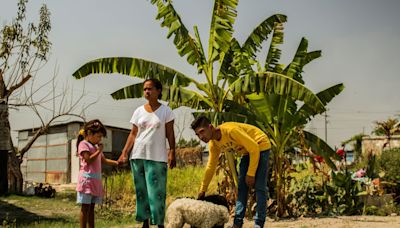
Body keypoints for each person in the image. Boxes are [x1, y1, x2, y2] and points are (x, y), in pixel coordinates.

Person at [191, 116, 271, 228]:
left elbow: (254, 148)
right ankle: (237, 224)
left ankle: (258, 224)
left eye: (202, 132)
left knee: (260, 187)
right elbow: (211, 166)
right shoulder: (214, 144)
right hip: (246, 152)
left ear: (211, 127)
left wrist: (251, 173)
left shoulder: (230, 131)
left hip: (260, 145)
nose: (200, 137)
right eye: (197, 134)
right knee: (242, 188)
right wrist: (202, 190)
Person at [118, 78, 176, 228]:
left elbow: (170, 134)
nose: (147, 92)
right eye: (144, 89)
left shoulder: (166, 111)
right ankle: (145, 223)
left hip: (157, 157)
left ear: (158, 91)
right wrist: (125, 153)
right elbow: (133, 134)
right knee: (142, 192)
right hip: (138, 156)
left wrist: (172, 152)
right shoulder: (138, 111)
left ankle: (160, 224)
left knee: (157, 193)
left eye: (150, 89)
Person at [76, 119, 119, 228]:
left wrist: (118, 163)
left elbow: (104, 160)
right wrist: (99, 151)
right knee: (85, 208)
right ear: (90, 134)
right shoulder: (83, 144)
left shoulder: (95, 147)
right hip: (87, 181)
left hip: (95, 182)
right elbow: (88, 160)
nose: (100, 139)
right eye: (98, 136)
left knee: (91, 209)